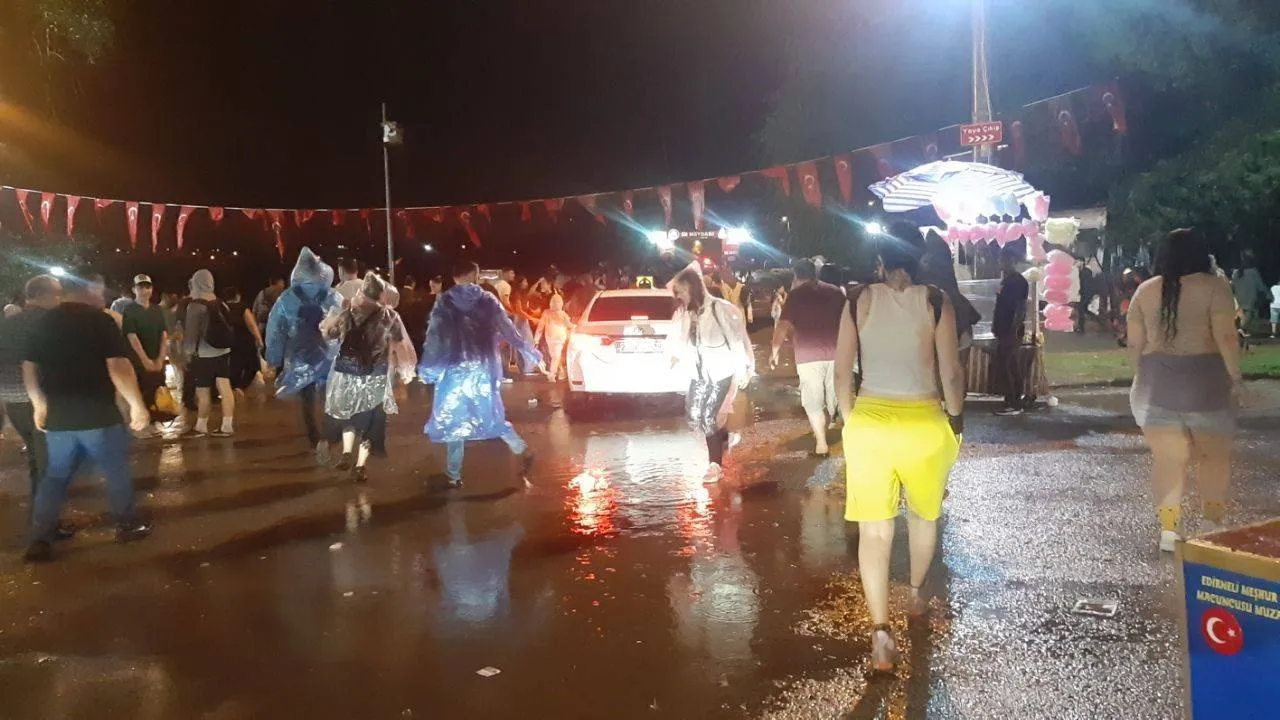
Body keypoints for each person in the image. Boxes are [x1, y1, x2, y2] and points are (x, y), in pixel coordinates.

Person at [833, 222, 965, 672]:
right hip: (924, 423)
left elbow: (842, 374)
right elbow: (951, 374)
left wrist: (852, 422)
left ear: (879, 259)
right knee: (923, 517)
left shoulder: (857, 299)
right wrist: (956, 421)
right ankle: (914, 596)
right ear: (918, 257)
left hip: (870, 425)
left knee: (874, 531)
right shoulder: (935, 301)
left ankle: (880, 636)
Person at [22, 272, 152, 563]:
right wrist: (137, 405)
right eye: (99, 290)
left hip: (59, 417)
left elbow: (29, 368)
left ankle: (40, 538)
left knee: (54, 477)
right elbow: (118, 366)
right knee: (115, 470)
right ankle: (128, 525)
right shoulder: (100, 321)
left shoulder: (42, 322)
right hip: (99, 415)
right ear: (87, 289)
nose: (101, 296)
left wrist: (39, 405)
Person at [1128, 229, 1242, 552]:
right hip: (1205, 384)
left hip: (1156, 385)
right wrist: (1236, 377)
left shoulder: (1145, 291)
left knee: (1168, 461)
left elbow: (1135, 344)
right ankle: (1212, 523)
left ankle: (1169, 529)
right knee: (1212, 458)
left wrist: (1139, 376)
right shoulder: (1215, 287)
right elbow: (1226, 337)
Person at [418, 261, 541, 488]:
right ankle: (522, 449)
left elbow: (435, 338)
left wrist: (428, 369)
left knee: (454, 421)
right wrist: (530, 351)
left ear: (454, 277)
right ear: (475, 276)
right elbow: (508, 329)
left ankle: (454, 474)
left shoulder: (445, 302)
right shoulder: (488, 300)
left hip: (454, 369)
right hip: (483, 369)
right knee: (492, 414)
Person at [320, 273, 416, 482]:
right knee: (371, 421)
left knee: (350, 413)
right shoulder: (390, 316)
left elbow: (329, 334)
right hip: (376, 375)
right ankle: (360, 466)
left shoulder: (348, 313)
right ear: (381, 294)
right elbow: (400, 345)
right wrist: (406, 371)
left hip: (347, 373)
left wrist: (332, 318)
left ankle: (347, 452)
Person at [0, 275, 75, 538]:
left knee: (38, 461)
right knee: (49, 467)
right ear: (45, 295)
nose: (61, 298)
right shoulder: (51, 323)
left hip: (13, 403)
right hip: (41, 404)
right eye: (58, 293)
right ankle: (42, 533)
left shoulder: (9, 323)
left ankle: (44, 521)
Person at [667, 267, 754, 483]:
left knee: (707, 417)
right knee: (694, 415)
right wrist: (675, 358)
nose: (679, 297)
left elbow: (737, 340)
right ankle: (723, 436)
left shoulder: (719, 309)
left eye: (681, 292)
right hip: (699, 372)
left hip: (721, 371)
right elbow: (682, 339)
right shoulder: (687, 313)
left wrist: (744, 368)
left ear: (692, 289)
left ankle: (714, 466)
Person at [266, 247, 342, 463]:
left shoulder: (287, 298)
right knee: (331, 395)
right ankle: (331, 433)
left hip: (301, 356)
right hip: (329, 357)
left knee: (307, 400)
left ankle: (314, 437)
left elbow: (275, 331)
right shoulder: (332, 295)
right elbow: (346, 324)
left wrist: (273, 359)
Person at [769, 259, 846, 456]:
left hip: (808, 355)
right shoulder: (835, 292)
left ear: (796, 275)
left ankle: (821, 444)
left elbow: (783, 326)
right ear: (815, 273)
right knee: (832, 396)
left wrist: (774, 351)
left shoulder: (795, 296)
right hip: (836, 353)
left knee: (813, 400)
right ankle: (831, 421)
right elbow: (848, 322)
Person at [183, 269, 236, 437]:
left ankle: (201, 426)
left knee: (203, 390)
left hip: (204, 355)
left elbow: (191, 335)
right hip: (223, 351)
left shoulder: (195, 305)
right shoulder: (221, 303)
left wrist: (187, 354)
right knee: (225, 388)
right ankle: (227, 426)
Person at [121, 274, 170, 429]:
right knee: (141, 391)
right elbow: (132, 336)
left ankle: (156, 422)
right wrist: (145, 360)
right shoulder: (130, 310)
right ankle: (142, 425)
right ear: (134, 289)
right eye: (141, 288)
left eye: (148, 287)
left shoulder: (157, 310)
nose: (145, 291)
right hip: (138, 360)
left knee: (158, 391)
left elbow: (163, 334)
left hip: (157, 358)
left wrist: (160, 358)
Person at [993, 246, 1030, 416]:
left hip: (1010, 330)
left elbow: (1020, 308)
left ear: (1013, 261)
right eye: (1001, 260)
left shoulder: (1018, 281)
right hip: (1003, 329)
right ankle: (1012, 400)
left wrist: (1013, 329)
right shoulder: (1006, 280)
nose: (1001, 263)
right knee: (1009, 365)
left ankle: (1013, 402)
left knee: (1008, 365)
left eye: (1004, 260)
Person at [222, 286, 265, 393]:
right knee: (253, 366)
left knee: (234, 367)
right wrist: (259, 340)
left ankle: (235, 388)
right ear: (237, 296)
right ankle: (241, 387)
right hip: (245, 341)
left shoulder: (222, 308)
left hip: (230, 342)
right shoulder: (242, 307)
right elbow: (252, 325)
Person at [534, 294, 574, 381]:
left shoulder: (547, 313)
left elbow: (540, 327)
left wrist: (536, 339)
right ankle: (553, 373)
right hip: (558, 338)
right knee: (556, 356)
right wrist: (577, 326)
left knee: (555, 356)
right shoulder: (561, 314)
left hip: (553, 338)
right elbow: (570, 325)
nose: (556, 304)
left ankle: (559, 372)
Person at [1230, 253, 1267, 331]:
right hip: (1250, 303)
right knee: (1244, 326)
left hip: (1238, 303)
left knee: (1239, 325)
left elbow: (1232, 287)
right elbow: (1261, 288)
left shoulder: (1236, 272)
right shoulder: (1253, 272)